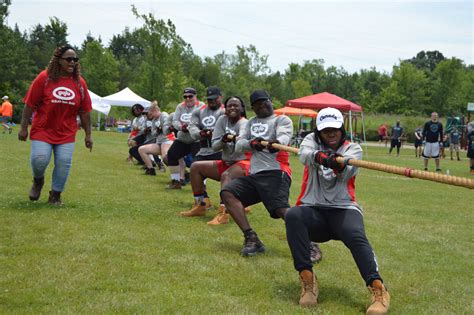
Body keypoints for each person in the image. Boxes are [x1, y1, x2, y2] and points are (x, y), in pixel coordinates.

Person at [284, 107, 390, 314]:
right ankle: (307, 281)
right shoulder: (310, 142)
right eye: (326, 130)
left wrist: (338, 165)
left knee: (354, 234)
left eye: (335, 129)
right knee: (293, 215)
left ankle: (378, 289)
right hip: (314, 210)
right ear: (319, 132)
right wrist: (322, 157)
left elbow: (345, 172)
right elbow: (304, 156)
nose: (331, 133)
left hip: (344, 209)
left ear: (342, 129)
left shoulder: (354, 149)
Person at [220, 90, 322, 261]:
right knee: (227, 193)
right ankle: (251, 238)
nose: (262, 105)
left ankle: (310, 244)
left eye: (265, 101)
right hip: (254, 175)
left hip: (276, 172)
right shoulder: (250, 122)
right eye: (258, 104)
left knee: (281, 209)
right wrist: (252, 144)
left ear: (270, 101)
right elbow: (239, 144)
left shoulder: (281, 119)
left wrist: (276, 143)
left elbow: (283, 137)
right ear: (253, 107)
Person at [18, 44, 93, 205]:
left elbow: (85, 112)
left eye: (75, 59)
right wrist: (23, 127)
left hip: (66, 132)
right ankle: (38, 182)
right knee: (40, 159)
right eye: (69, 59)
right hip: (43, 129)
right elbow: (29, 104)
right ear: (58, 60)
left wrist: (88, 135)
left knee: (64, 162)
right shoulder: (44, 78)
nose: (72, 62)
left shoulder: (79, 84)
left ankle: (55, 195)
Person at [180, 96, 250, 224]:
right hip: (227, 162)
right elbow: (215, 146)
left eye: (236, 105)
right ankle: (200, 205)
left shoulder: (244, 123)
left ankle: (223, 213)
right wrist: (223, 140)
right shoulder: (222, 120)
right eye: (230, 105)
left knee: (226, 175)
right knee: (195, 167)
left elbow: (241, 147)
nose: (232, 108)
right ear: (225, 108)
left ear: (242, 108)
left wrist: (235, 139)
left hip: (244, 163)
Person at [165, 87, 204, 189]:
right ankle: (176, 181)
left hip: (196, 138)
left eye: (190, 96)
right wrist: (181, 127)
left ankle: (202, 185)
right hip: (183, 138)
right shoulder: (180, 107)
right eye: (185, 97)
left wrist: (191, 127)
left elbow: (203, 120)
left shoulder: (201, 106)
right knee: (171, 155)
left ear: (195, 96)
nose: (187, 99)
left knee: (199, 161)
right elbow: (175, 120)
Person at [138, 103, 171, 175]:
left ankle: (181, 174)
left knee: (165, 157)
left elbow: (167, 127)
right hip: (159, 142)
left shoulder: (164, 115)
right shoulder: (154, 120)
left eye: (151, 114)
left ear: (155, 111)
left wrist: (161, 128)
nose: (150, 116)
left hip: (168, 140)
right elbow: (153, 133)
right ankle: (151, 169)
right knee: (141, 149)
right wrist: (157, 130)